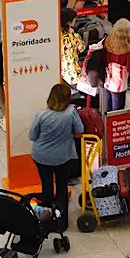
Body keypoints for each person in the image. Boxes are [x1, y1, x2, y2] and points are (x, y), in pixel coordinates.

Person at [30, 84, 83, 227]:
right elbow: (80, 130)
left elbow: (32, 136)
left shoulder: (41, 115)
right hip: (62, 157)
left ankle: (47, 220)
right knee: (61, 187)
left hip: (41, 156)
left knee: (46, 187)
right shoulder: (71, 113)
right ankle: (62, 222)